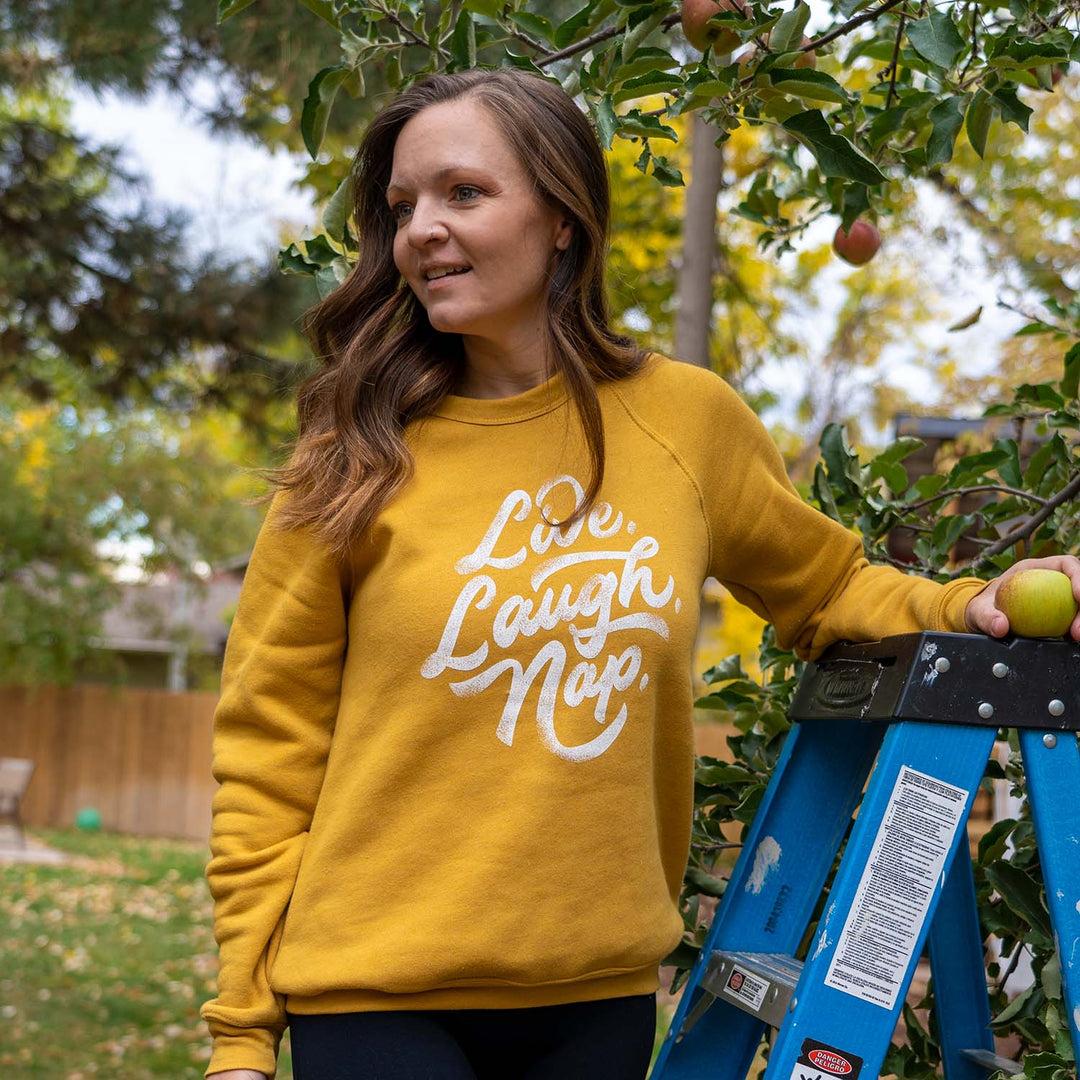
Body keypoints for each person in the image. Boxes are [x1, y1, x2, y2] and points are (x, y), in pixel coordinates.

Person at [199, 67, 1080, 1080]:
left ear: (563, 216)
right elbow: (269, 747)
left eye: (463, 193)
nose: (420, 231)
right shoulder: (352, 452)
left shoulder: (685, 422)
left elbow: (829, 587)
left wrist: (975, 601)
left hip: (598, 1000)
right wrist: (241, 1035)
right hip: (373, 994)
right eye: (403, 207)